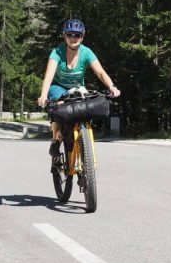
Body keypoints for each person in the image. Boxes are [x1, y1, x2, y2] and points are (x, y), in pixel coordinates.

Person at [37, 18, 120, 164]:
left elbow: (100, 72)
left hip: (76, 88)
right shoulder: (57, 52)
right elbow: (49, 76)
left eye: (77, 35)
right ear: (65, 36)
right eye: (70, 35)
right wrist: (43, 96)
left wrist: (111, 86)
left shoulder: (86, 52)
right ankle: (56, 140)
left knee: (86, 105)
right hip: (58, 87)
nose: (73, 38)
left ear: (82, 36)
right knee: (59, 105)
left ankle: (84, 140)